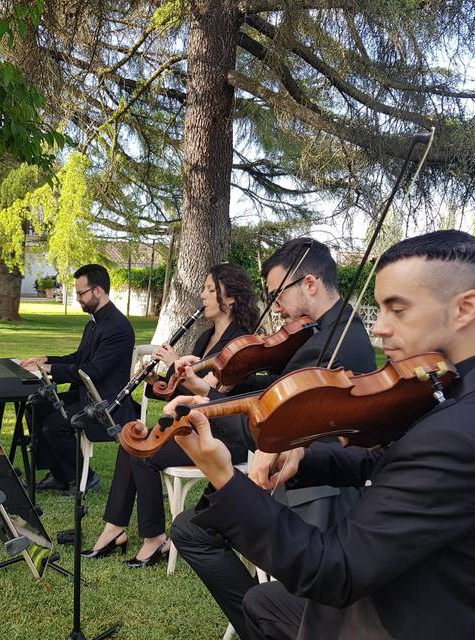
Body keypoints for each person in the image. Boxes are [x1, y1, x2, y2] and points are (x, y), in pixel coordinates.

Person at [167, 230, 475, 640]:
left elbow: (333, 572)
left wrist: (226, 478)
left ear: (465, 308)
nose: (380, 329)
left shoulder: (463, 433)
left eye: (398, 310)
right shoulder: (473, 389)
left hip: (404, 620)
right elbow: (385, 461)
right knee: (262, 602)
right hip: (410, 593)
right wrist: (302, 455)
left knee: (271, 600)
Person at [168, 238, 376, 636]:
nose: (275, 306)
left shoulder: (330, 346)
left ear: (310, 284)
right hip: (299, 473)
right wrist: (217, 387)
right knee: (192, 528)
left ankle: (261, 627)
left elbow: (268, 421)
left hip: (313, 490)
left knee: (193, 531)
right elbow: (275, 385)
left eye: (280, 293)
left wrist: (207, 406)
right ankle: (263, 621)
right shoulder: (323, 331)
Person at [84, 263, 259, 568]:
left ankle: (155, 539)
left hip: (225, 435)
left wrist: (178, 363)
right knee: (131, 439)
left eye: (210, 289)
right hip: (194, 426)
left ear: (230, 299)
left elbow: (211, 394)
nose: (202, 295)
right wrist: (154, 382)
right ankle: (115, 529)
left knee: (144, 452)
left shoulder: (240, 342)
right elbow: (180, 391)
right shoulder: (205, 338)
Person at [21, 264, 136, 492]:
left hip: (107, 402)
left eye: (81, 293)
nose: (78, 299)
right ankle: (57, 473)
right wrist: (46, 359)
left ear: (98, 291)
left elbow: (92, 371)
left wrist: (50, 368)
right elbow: (79, 358)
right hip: (88, 394)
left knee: (55, 425)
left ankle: (84, 478)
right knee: (35, 405)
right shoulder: (94, 322)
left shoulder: (117, 327)